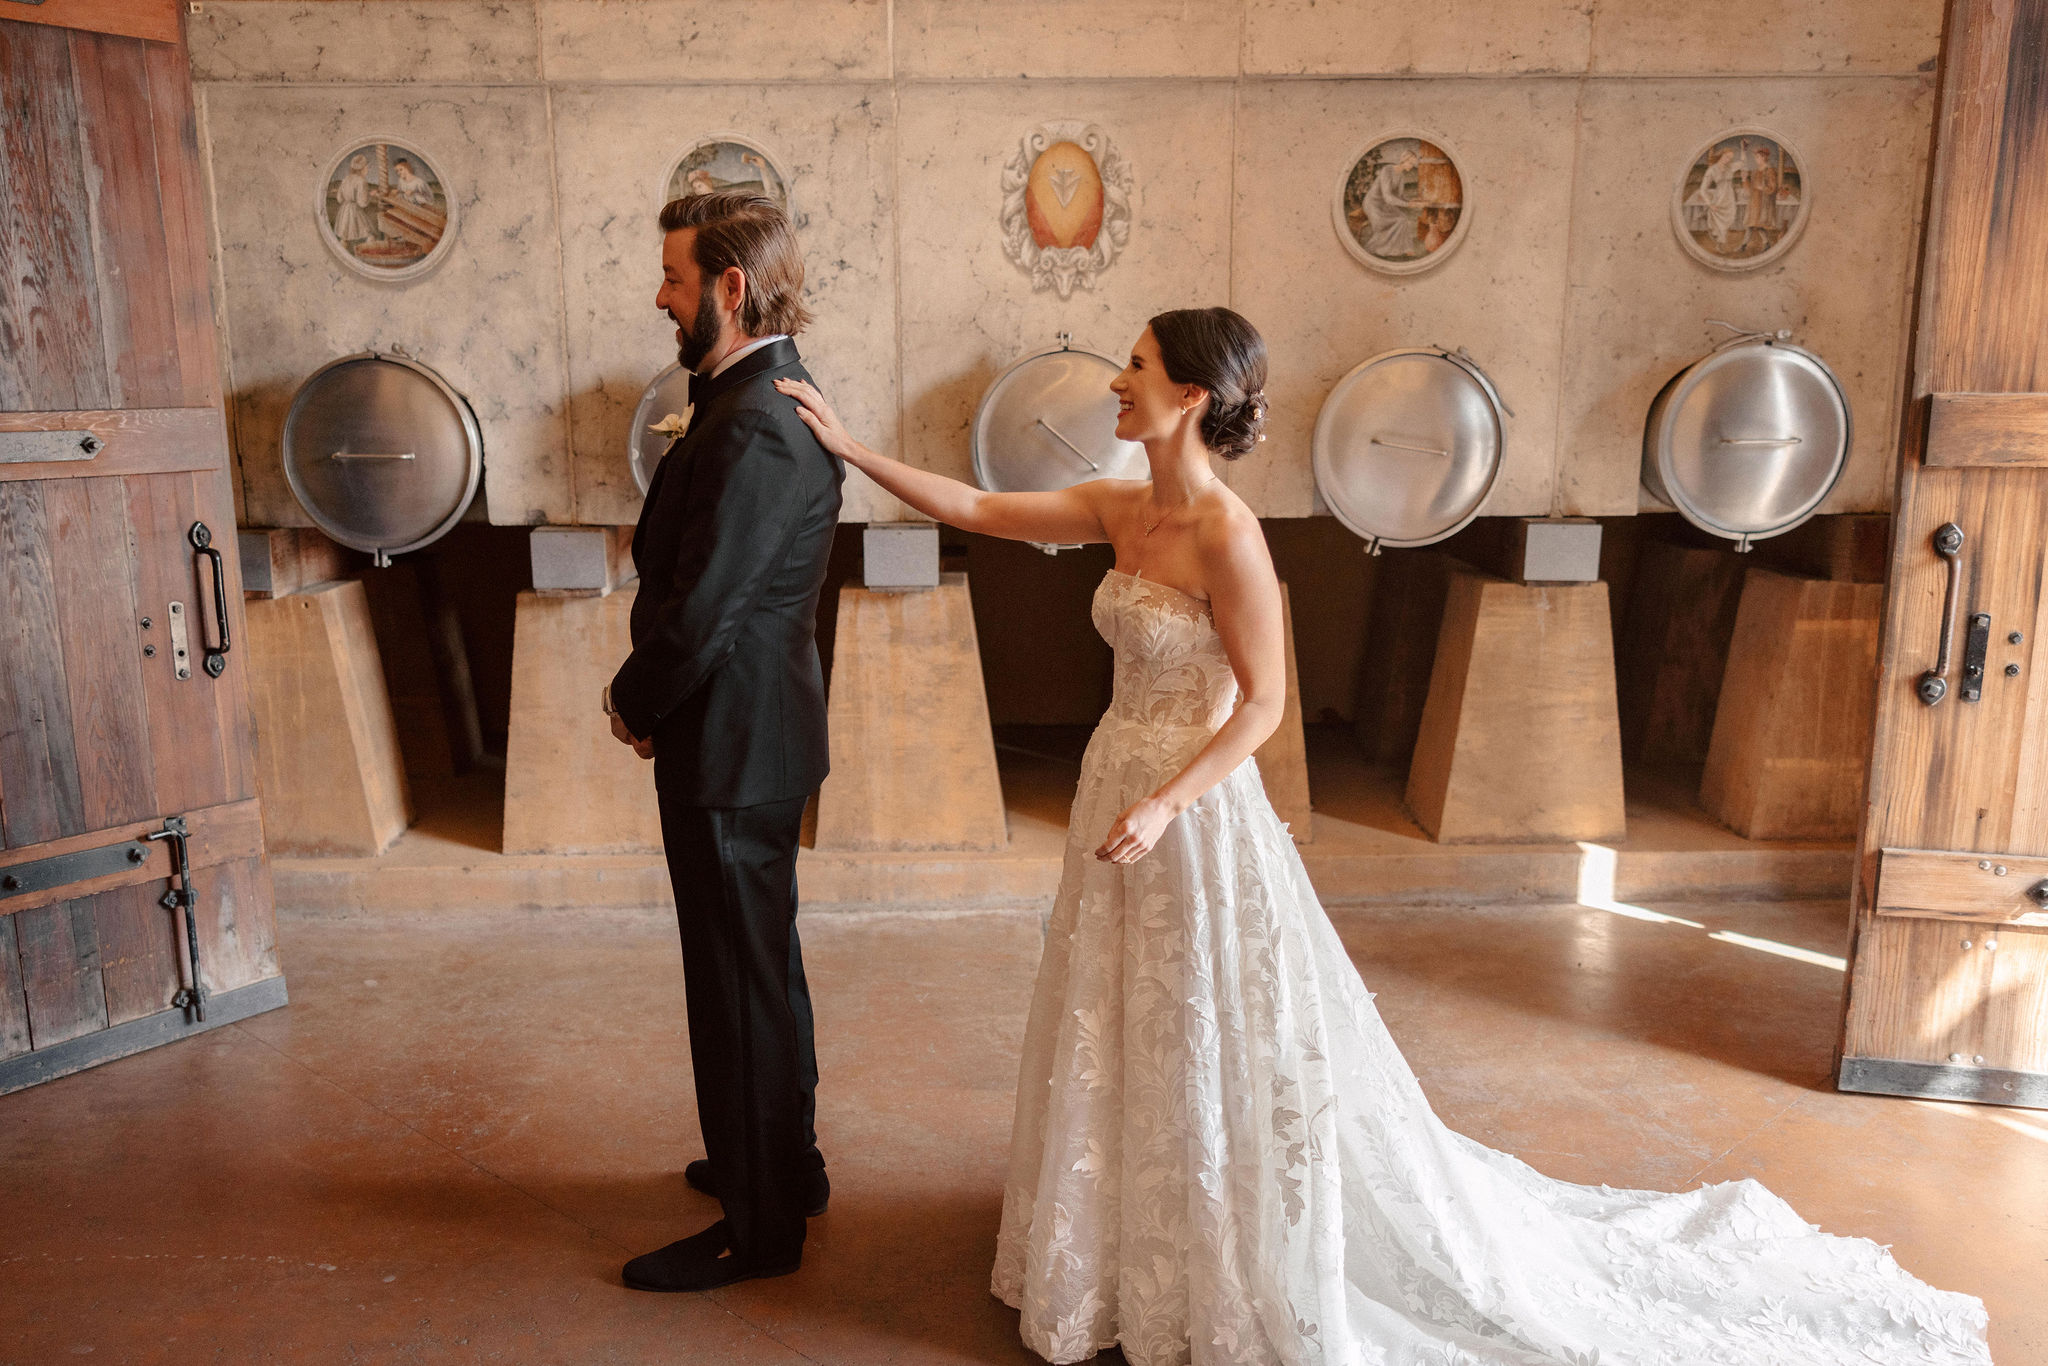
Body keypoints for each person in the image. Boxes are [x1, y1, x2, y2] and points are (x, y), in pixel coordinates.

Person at [773, 307, 1991, 1365]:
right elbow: (980, 503)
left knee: (1212, 1021)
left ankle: (1224, 1237)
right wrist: (846, 446)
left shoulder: (1227, 537)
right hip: (1112, 789)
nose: (1113, 381)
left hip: (1185, 812)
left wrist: (1165, 800)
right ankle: (1121, 1238)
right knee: (1117, 1010)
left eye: (1133, 365)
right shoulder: (1118, 504)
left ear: (1189, 394)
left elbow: (1260, 707)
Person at [605, 189, 841, 1293]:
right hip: (749, 737)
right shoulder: (749, 395)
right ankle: (779, 1165)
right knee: (760, 964)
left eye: (674, 278)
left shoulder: (755, 421)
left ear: (729, 287)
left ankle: (761, 1228)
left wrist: (635, 697)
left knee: (735, 981)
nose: (661, 297)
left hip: (731, 743)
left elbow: (706, 607)